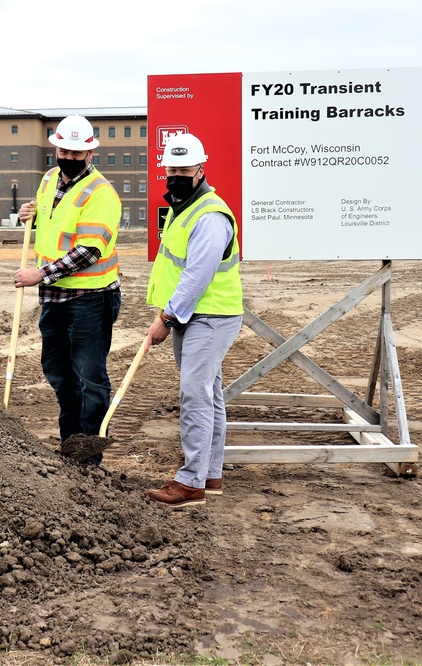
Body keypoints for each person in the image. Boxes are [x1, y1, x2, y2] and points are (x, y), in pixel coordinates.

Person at [13, 115, 122, 463]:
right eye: (65, 150)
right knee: (59, 373)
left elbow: (89, 251)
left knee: (90, 377)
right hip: (54, 299)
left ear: (90, 153)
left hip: (90, 298)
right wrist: (29, 213)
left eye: (77, 152)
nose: (70, 157)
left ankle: (88, 454)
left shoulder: (102, 194)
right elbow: (53, 223)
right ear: (56, 148)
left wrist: (39, 275)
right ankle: (70, 443)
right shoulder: (48, 180)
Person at [143, 133, 243, 507]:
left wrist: (166, 319)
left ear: (201, 168)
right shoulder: (183, 207)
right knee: (209, 395)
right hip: (195, 315)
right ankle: (209, 474)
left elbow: (197, 276)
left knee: (195, 396)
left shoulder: (210, 216)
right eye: (171, 169)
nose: (176, 175)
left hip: (210, 315)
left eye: (184, 169)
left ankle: (189, 484)